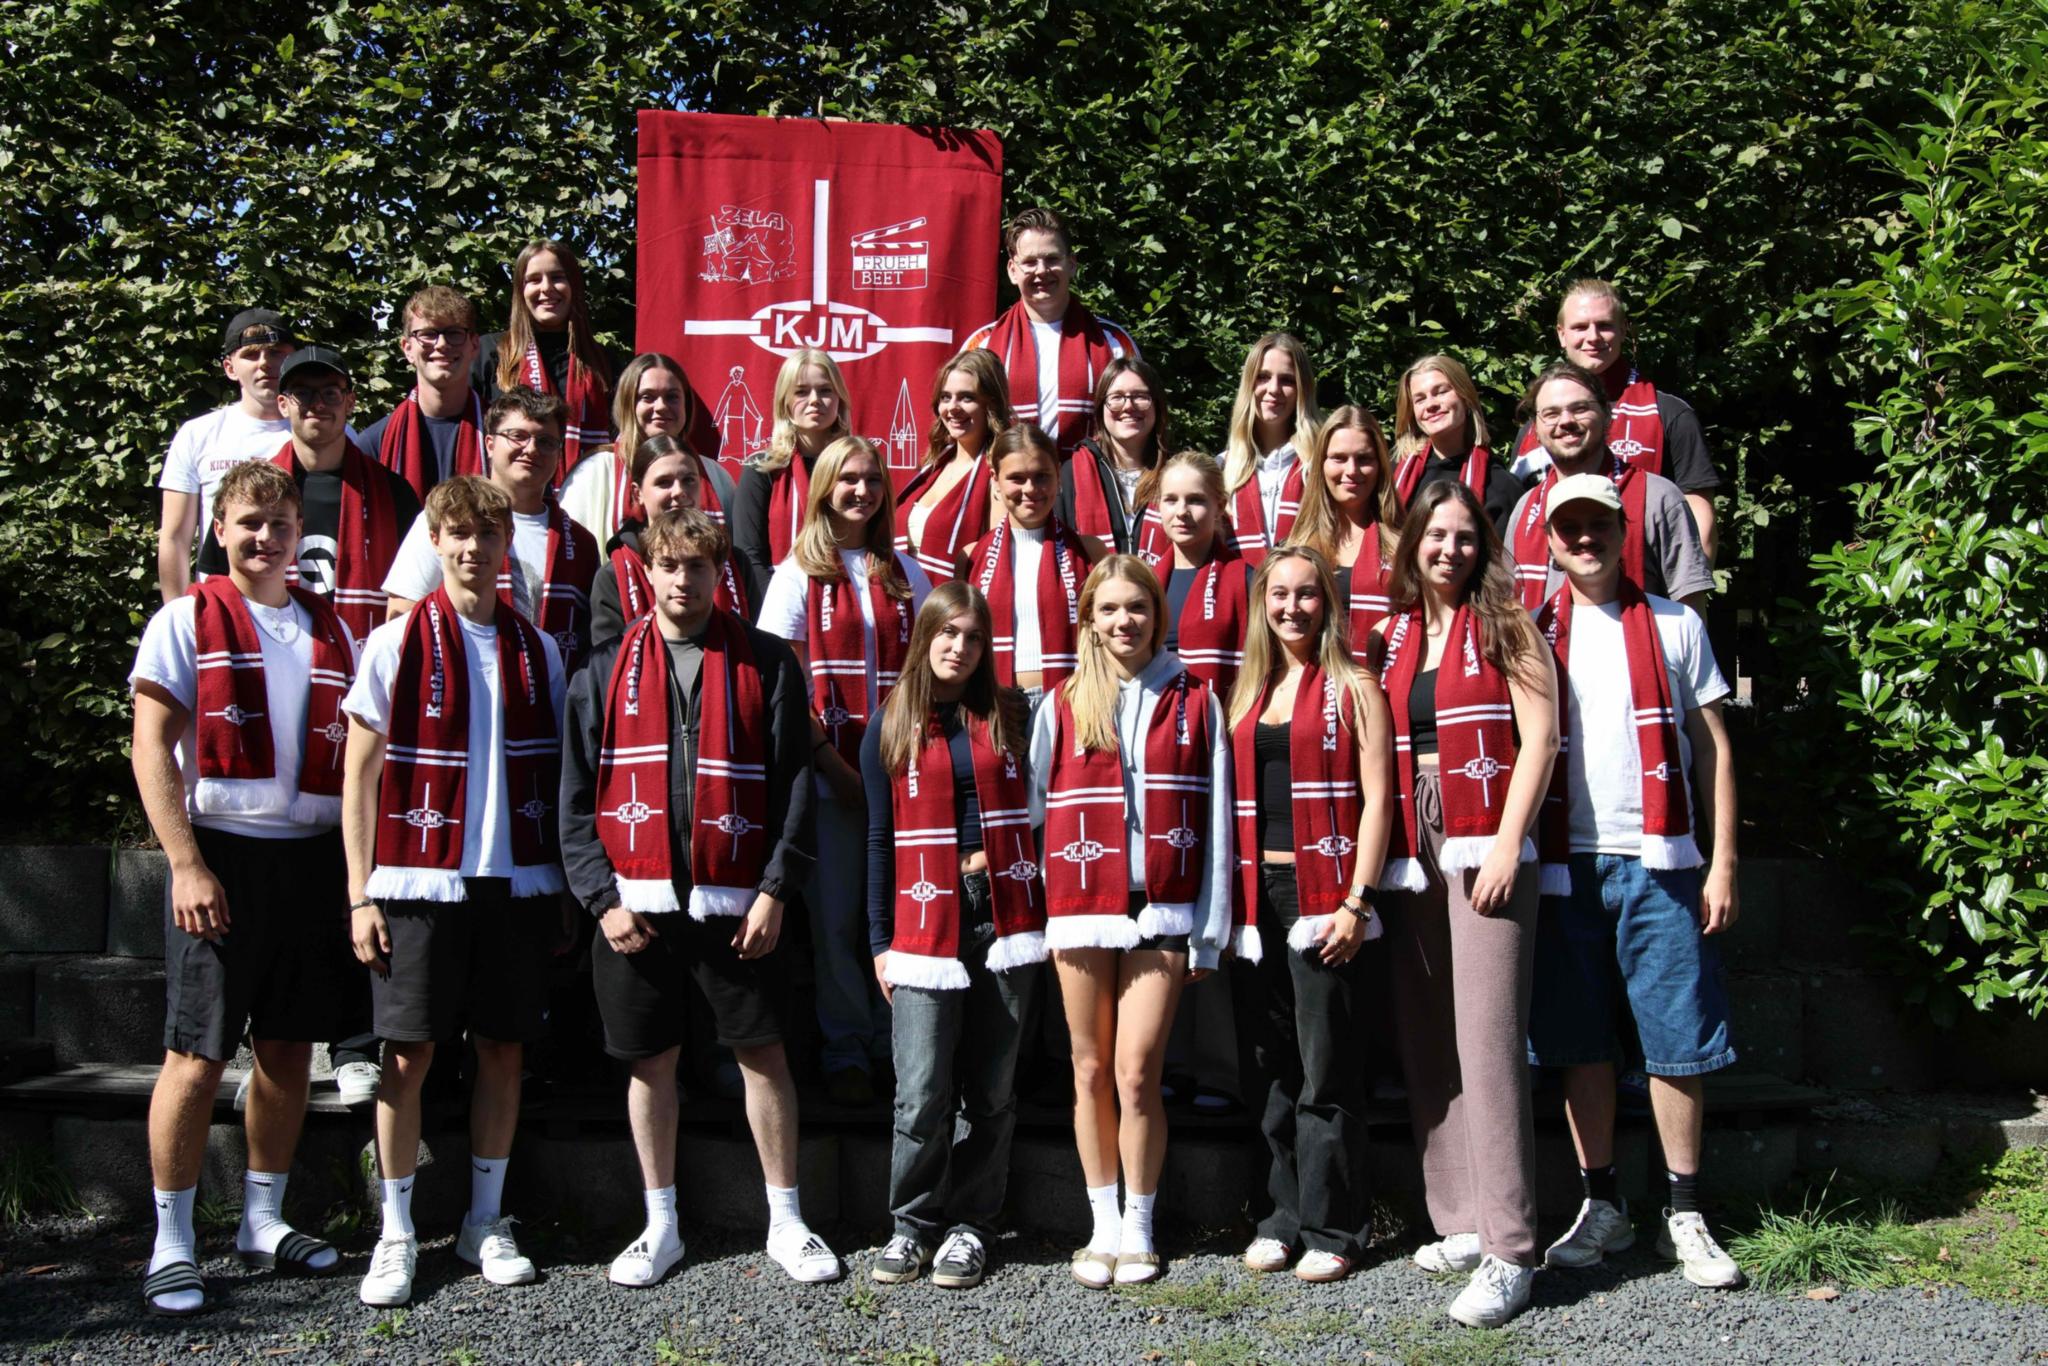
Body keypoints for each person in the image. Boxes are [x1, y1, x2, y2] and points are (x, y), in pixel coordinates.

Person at [560, 508, 841, 1287]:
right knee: (650, 1063)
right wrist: (602, 900)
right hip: (635, 907)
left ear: (721, 572)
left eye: (698, 565)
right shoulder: (605, 669)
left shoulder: (766, 662)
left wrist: (775, 891)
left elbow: (793, 788)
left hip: (738, 905)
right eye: (669, 565)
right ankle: (661, 1224)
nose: (683, 579)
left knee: (763, 1054)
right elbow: (575, 800)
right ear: (647, 571)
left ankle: (786, 1219)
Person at [128, 460, 364, 1316]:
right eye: (249, 523)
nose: (265, 537)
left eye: (280, 523)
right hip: (223, 856)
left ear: (301, 533)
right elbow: (151, 747)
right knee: (196, 1055)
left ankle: (263, 1219)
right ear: (218, 530)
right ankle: (172, 1240)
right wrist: (186, 863)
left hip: (311, 857)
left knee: (290, 1049)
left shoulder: (332, 628)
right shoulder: (184, 619)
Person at [341, 475, 569, 1308]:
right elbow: (358, 776)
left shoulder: (538, 649)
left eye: (489, 534)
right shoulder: (393, 643)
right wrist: (359, 894)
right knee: (409, 1056)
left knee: (503, 1050)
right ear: (436, 542)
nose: (475, 548)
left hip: (514, 880)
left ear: (508, 546)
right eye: (459, 534)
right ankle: (397, 1232)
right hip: (417, 880)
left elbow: (557, 774)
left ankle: (484, 1220)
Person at [1528, 473, 1743, 1291]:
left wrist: (1723, 860)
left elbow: (1712, 746)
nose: (1584, 538)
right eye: (1569, 527)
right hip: (1563, 864)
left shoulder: (1676, 624)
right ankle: (1602, 1203)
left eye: (1599, 524)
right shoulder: (1530, 629)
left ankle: (1684, 1210)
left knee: (1676, 1038)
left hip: (1663, 860)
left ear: (1625, 532)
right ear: (1549, 541)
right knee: (1578, 1042)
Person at [1367, 479, 1559, 1329]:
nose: (1449, 550)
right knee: (1428, 1033)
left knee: (1486, 1038)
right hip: (1414, 832)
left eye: (1465, 537)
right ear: (1412, 544)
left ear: (1483, 546)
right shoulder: (1394, 635)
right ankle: (1462, 1217)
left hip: (1484, 830)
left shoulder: (1508, 625)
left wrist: (1510, 843)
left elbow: (1541, 736)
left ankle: (1511, 1248)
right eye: (1435, 536)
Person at [1026, 555, 1233, 1288]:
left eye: (1137, 607)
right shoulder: (1060, 703)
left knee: (1137, 1071)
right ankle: (1102, 1222)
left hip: (1161, 906)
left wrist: (1210, 929)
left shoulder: (1196, 698)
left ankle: (1140, 1224)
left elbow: (1218, 817)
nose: (1125, 621)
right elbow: (1034, 811)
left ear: (1157, 614)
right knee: (1089, 1069)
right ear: (1088, 618)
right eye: (1109, 608)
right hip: (1081, 906)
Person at [862, 584, 1046, 1289]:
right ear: (925, 637)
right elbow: (878, 839)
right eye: (947, 633)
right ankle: (912, 1224)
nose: (959, 648)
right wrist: (880, 941)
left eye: (973, 637)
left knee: (992, 1089)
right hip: (921, 916)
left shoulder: (1008, 715)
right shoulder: (890, 723)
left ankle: (973, 1225)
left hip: (1003, 910)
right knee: (920, 1089)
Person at [1226, 545, 1392, 1284]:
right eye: (1279, 595)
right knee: (1269, 1065)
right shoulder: (1248, 689)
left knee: (1328, 1066)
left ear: (1328, 603)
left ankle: (1336, 1226)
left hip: (1323, 893)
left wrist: (1358, 900)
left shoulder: (1355, 686)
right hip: (1253, 896)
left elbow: (1379, 800)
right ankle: (1281, 1217)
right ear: (1262, 605)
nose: (1291, 607)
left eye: (1307, 594)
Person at [755, 436, 934, 1103]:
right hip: (828, 776)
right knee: (835, 924)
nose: (862, 491)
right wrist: (833, 767)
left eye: (873, 480)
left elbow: (929, 674)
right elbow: (785, 687)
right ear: (825, 489)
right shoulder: (795, 574)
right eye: (848, 479)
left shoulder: (906, 573)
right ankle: (848, 1048)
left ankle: (902, 1048)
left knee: (899, 918)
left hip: (903, 776)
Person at [195, 347, 420, 644]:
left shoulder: (393, 493)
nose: (317, 404)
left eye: (331, 393)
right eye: (302, 394)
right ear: (283, 404)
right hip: (271, 652)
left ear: (350, 402)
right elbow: (214, 583)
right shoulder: (250, 493)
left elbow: (416, 590)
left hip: (364, 657)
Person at [383, 388, 600, 675]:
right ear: (489, 443)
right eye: (518, 436)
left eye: (546, 442)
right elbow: (402, 616)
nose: (531, 449)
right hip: (458, 683)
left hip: (548, 691)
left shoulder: (580, 543)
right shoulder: (446, 520)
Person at [1509, 281, 1722, 557]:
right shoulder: (1539, 426)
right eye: (1580, 327)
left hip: (1646, 575)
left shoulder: (1669, 414)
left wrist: (1688, 584)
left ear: (1623, 330)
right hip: (1550, 576)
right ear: (1561, 334)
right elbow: (1519, 515)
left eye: (1605, 325)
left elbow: (1699, 520)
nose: (1593, 337)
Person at [1505, 363, 1712, 614]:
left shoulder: (1658, 498)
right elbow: (1511, 607)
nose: (1566, 421)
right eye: (1551, 413)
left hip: (1639, 639)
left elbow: (1689, 614)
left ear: (1606, 415)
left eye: (1580, 409)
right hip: (1542, 641)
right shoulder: (1525, 508)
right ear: (1535, 429)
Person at [964, 207, 1138, 454]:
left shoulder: (1113, 342)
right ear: (1012, 271)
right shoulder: (982, 344)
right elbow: (964, 428)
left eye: (1052, 259)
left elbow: (1138, 424)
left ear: (1072, 264)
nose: (1041, 270)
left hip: (1091, 476)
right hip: (1008, 477)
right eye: (1030, 262)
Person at [158, 308, 300, 603]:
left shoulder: (328, 433)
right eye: (251, 355)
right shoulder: (198, 434)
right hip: (221, 603)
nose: (265, 363)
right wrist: (178, 614)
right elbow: (175, 538)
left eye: (276, 353)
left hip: (301, 601)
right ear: (230, 367)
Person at [958, 424, 1105, 706]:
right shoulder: (971, 556)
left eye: (1041, 476)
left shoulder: (1090, 551)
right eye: (1017, 478)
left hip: (1073, 700)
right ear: (995, 480)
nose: (1030, 489)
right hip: (994, 702)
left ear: (1058, 477)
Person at [559, 352, 735, 546]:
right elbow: (570, 551)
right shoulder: (594, 471)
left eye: (672, 397)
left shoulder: (716, 476)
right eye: (647, 397)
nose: (661, 406)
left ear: (687, 405)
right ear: (627, 404)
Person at [474, 239, 616, 479]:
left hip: (588, 495)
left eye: (557, 277)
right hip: (503, 497)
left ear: (574, 286)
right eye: (534, 280)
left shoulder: (604, 362)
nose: (546, 288)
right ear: (520, 290)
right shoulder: (489, 353)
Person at [590, 435, 748, 642]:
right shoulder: (613, 575)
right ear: (637, 494)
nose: (679, 491)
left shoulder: (734, 563)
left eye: (688, 480)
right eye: (664, 483)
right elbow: (608, 657)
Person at [732, 348, 855, 609]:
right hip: (778, 610)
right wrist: (782, 611)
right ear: (785, 402)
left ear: (839, 398)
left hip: (847, 606)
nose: (815, 400)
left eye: (825, 390)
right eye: (801, 392)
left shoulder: (857, 467)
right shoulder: (761, 469)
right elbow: (749, 554)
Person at [1139, 451, 1253, 701]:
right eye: (1171, 500)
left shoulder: (1247, 581)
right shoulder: (1143, 585)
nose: (1182, 511)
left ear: (1219, 507)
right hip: (1155, 716)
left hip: (1223, 713)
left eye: (1195, 500)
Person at [1285, 406, 1403, 645]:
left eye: (1364, 459)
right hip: (1314, 668)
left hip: (1385, 668)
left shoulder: (1406, 546)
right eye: (1339, 458)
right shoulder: (1294, 547)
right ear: (1321, 464)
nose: (1351, 471)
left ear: (1381, 465)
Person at [894, 350, 1014, 584]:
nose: (952, 407)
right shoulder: (933, 467)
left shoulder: (998, 475)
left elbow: (995, 565)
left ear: (990, 404)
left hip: (950, 602)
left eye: (967, 398)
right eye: (945, 397)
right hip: (905, 598)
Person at [361, 287, 489, 501]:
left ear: (474, 345)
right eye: (428, 334)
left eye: (454, 333)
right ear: (407, 348)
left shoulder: (503, 435)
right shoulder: (374, 445)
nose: (442, 344)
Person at [1219, 332, 1321, 557]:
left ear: (1302, 389)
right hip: (1241, 579)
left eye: (1287, 380)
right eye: (1263, 377)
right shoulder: (1222, 468)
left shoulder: (1322, 463)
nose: (1274, 389)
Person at [1390, 355, 1520, 530]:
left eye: (1441, 392)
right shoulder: (1392, 474)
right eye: (1420, 399)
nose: (1430, 405)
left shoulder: (1500, 485)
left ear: (1466, 397)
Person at [1060, 357, 1172, 557]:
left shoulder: (1176, 474)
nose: (1128, 406)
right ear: (1101, 407)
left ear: (1157, 405)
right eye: (1117, 397)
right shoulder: (1071, 474)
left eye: (1140, 396)